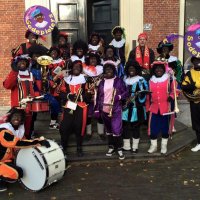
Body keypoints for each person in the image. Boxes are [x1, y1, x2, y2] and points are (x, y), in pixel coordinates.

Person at [0, 108, 50, 192]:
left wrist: (38, 141)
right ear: (10, 118)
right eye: (14, 116)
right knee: (16, 173)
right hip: (2, 159)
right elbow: (18, 143)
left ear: (22, 120)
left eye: (19, 117)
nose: (17, 118)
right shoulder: (3, 131)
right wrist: (39, 142)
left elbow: (24, 141)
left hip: (5, 159)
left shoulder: (18, 130)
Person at [94, 61, 128, 160]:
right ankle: (111, 147)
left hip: (116, 108)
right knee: (108, 129)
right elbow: (98, 97)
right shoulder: (101, 82)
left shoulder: (119, 81)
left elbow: (126, 92)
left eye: (110, 69)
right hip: (104, 108)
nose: (108, 71)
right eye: (106, 69)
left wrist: (119, 96)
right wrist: (96, 109)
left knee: (116, 129)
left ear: (114, 71)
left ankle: (119, 149)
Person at [59, 61, 91, 157]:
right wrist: (68, 96)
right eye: (74, 66)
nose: (76, 68)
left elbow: (89, 93)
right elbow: (60, 92)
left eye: (78, 67)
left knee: (79, 127)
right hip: (69, 105)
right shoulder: (66, 79)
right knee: (65, 126)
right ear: (71, 68)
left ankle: (79, 147)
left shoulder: (85, 79)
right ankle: (64, 147)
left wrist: (81, 97)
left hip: (81, 106)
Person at [3, 55, 35, 138]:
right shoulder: (14, 74)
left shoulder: (31, 75)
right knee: (16, 128)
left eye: (24, 61)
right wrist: (14, 71)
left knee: (28, 127)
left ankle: (27, 139)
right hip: (17, 108)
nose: (22, 63)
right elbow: (7, 85)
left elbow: (35, 90)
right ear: (16, 64)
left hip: (29, 107)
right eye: (20, 61)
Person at [148, 61, 175, 154]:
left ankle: (164, 146)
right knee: (153, 128)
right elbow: (148, 95)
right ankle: (154, 146)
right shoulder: (151, 81)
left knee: (165, 128)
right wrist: (148, 107)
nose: (158, 70)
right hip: (154, 108)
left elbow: (176, 90)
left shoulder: (169, 79)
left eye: (160, 68)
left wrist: (171, 96)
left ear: (164, 69)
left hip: (165, 108)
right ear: (154, 70)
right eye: (156, 68)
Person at [122, 61, 148, 153]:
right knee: (125, 126)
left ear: (137, 70)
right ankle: (126, 146)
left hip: (137, 108)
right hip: (125, 108)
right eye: (129, 68)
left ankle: (135, 147)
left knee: (135, 127)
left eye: (133, 68)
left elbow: (145, 94)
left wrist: (138, 97)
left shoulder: (141, 80)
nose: (131, 70)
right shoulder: (125, 80)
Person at [83, 51, 105, 140]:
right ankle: (88, 132)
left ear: (97, 60)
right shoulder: (84, 69)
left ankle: (101, 132)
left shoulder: (102, 69)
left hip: (100, 95)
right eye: (91, 59)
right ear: (88, 60)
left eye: (95, 59)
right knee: (88, 114)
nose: (93, 60)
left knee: (100, 114)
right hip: (88, 95)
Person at [181, 56, 200, 152]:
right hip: (195, 102)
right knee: (197, 123)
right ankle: (199, 142)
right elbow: (184, 86)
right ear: (193, 62)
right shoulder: (189, 73)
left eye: (199, 60)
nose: (198, 62)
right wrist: (193, 85)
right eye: (196, 61)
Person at [48, 47, 65, 129]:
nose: (53, 53)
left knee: (62, 104)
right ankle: (53, 122)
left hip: (62, 85)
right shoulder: (47, 63)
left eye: (55, 51)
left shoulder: (62, 62)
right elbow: (46, 76)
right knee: (53, 104)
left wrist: (58, 78)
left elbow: (65, 72)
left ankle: (61, 122)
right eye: (52, 52)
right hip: (52, 87)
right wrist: (51, 82)